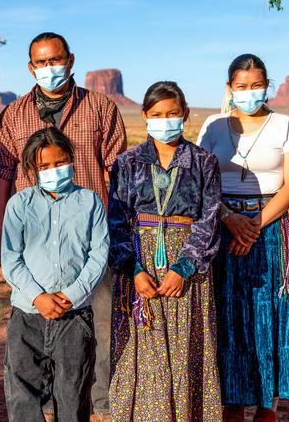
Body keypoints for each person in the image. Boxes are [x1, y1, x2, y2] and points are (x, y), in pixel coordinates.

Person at [0, 32, 126, 417]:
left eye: (56, 60)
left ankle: (96, 405)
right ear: (31, 67)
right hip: (32, 240)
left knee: (97, 330)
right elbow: (2, 172)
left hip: (87, 240)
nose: (50, 68)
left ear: (70, 60)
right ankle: (46, 405)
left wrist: (115, 233)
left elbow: (117, 170)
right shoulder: (14, 114)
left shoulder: (100, 107)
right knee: (34, 334)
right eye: (41, 62)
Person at [197, 54, 289, 422]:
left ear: (267, 86)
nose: (249, 92)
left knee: (267, 311)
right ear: (229, 88)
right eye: (241, 86)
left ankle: (266, 406)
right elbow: (200, 181)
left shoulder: (285, 125)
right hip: (222, 226)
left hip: (269, 227)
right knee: (226, 313)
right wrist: (229, 219)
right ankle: (230, 401)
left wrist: (253, 225)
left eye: (257, 85)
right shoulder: (213, 127)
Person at [107, 81, 223, 421]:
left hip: (186, 269)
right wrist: (133, 269)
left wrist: (184, 267)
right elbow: (117, 222)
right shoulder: (126, 163)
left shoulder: (203, 162)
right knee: (142, 350)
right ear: (145, 116)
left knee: (189, 346)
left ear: (185, 114)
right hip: (140, 268)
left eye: (173, 113)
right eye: (157, 114)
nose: (166, 120)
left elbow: (210, 218)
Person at [1, 127, 109, 422]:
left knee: (72, 393)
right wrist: (38, 297)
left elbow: (98, 254)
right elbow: (11, 258)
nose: (53, 170)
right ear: (32, 169)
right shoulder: (19, 205)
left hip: (74, 316)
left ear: (72, 159)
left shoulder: (90, 202)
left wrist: (70, 295)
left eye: (60, 162)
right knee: (23, 394)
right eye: (44, 166)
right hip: (27, 314)